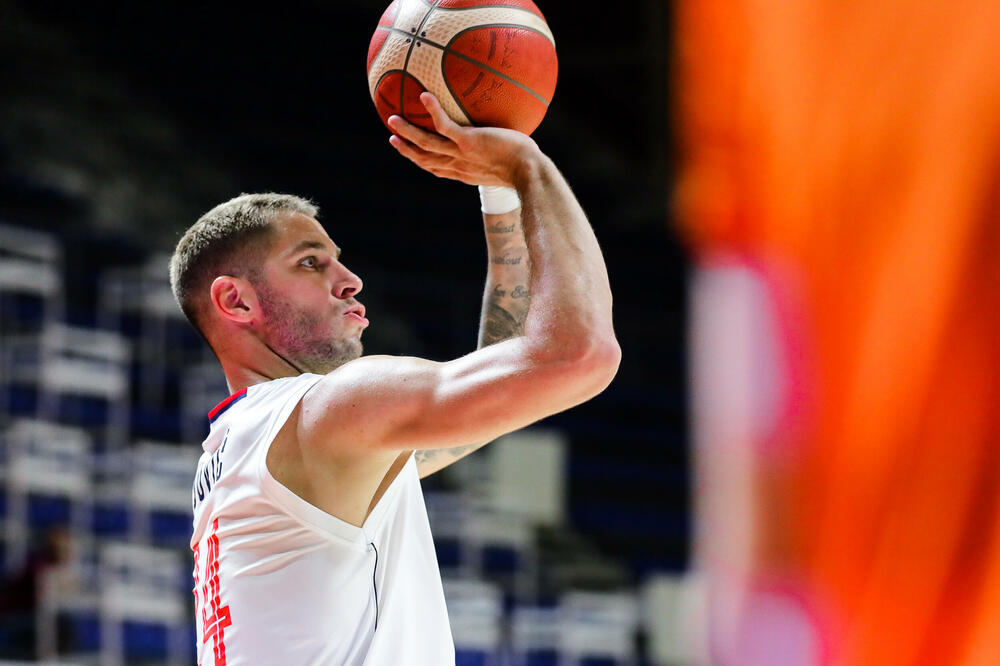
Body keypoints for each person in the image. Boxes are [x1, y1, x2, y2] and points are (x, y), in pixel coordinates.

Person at [169, 92, 620, 665]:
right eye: (310, 262)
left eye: (337, 258)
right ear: (236, 301)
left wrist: (499, 192)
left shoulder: (250, 450)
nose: (350, 279)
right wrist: (527, 167)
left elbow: (506, 366)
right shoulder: (323, 413)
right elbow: (580, 355)